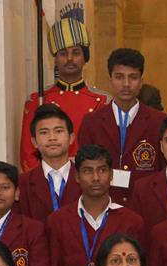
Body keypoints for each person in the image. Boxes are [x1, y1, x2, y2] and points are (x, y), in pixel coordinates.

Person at [45, 144, 146, 266]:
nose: (96, 178)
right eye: (88, 171)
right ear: (76, 176)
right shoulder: (57, 221)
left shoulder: (131, 221)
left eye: (102, 170)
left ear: (111, 175)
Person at [78, 48, 166, 206]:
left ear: (141, 81)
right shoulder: (92, 122)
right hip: (103, 208)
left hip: (146, 206)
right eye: (119, 77)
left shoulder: (159, 122)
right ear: (110, 79)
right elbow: (83, 168)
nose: (126, 84)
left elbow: (163, 170)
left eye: (133, 77)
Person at [19, 17, 108, 171]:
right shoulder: (37, 100)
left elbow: (105, 149)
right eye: (62, 53)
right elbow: (28, 152)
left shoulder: (103, 101)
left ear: (85, 58)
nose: (69, 59)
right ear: (54, 59)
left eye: (76, 52)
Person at [17, 103, 83, 222]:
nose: (52, 137)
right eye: (44, 132)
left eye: (58, 131)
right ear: (34, 142)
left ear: (72, 138)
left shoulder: (87, 179)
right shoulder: (22, 184)